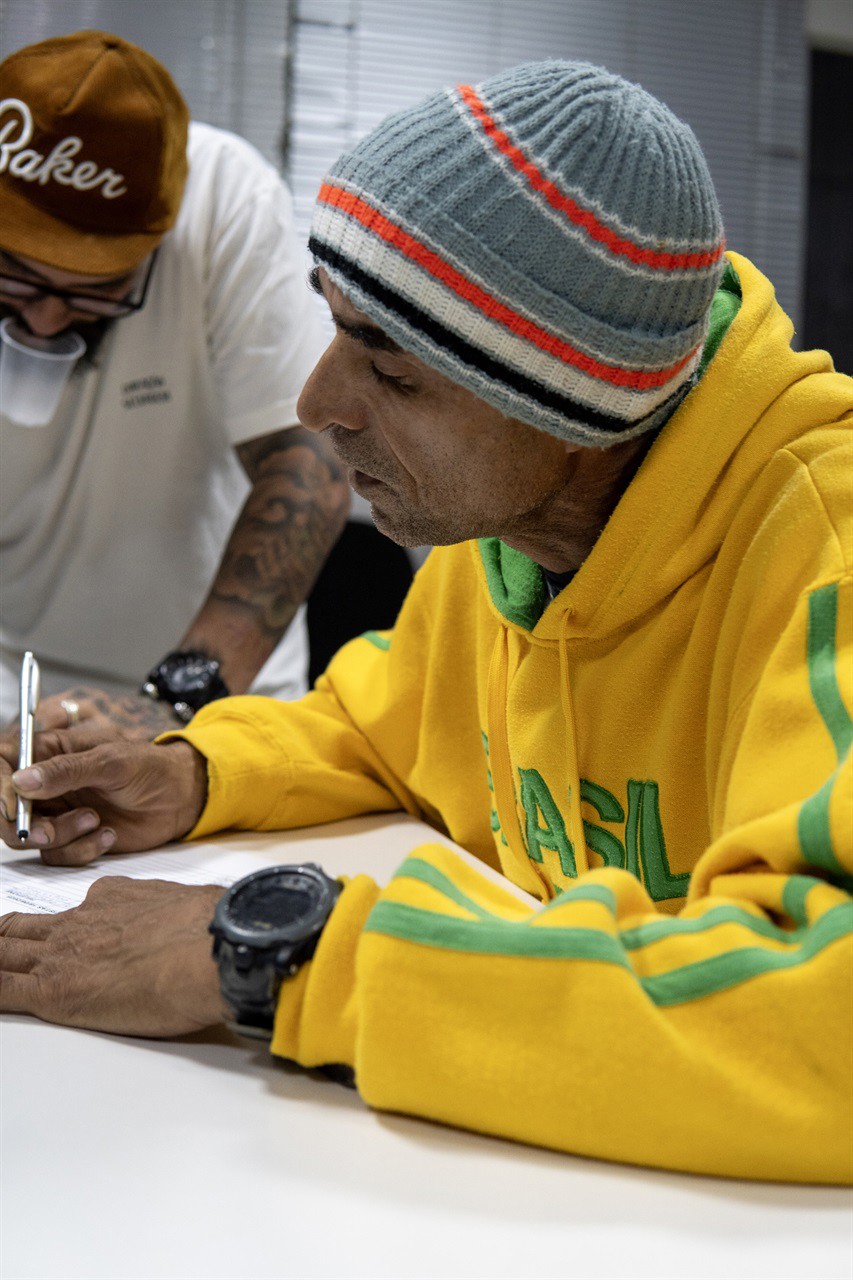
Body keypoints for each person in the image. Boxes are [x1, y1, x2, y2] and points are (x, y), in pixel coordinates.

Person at [1, 60, 851, 1184]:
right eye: (335, 330)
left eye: (391, 375)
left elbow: (818, 1014)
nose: (315, 405)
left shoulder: (820, 557)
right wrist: (189, 770)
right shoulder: (512, 525)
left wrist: (279, 962)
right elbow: (379, 727)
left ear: (576, 410)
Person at [0, 31, 349, 734]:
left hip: (207, 695)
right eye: (17, 272)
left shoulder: (225, 199)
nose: (44, 317)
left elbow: (311, 463)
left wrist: (172, 704)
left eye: (95, 287)